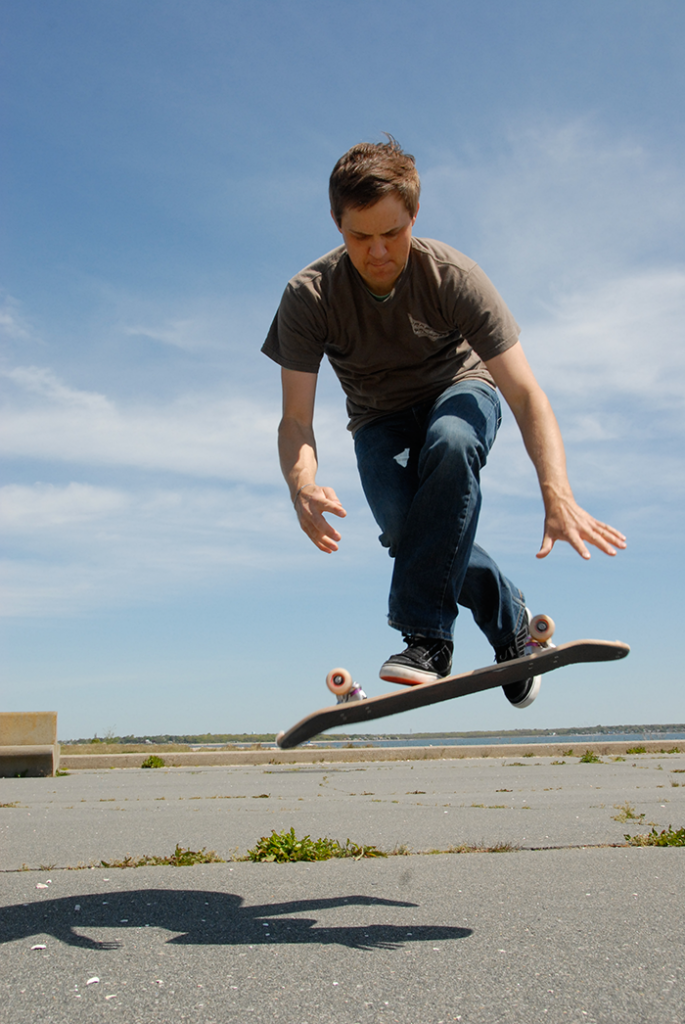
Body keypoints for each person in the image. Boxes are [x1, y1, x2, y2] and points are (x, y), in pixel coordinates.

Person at [262, 137, 626, 708]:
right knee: (414, 535)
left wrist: (557, 493)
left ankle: (426, 641)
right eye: (360, 237)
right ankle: (511, 623)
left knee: (451, 442)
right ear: (337, 223)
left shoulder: (452, 276)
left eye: (393, 233)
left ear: (414, 215)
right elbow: (295, 421)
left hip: (462, 390)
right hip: (377, 420)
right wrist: (300, 485)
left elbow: (527, 393)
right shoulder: (309, 297)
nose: (379, 252)